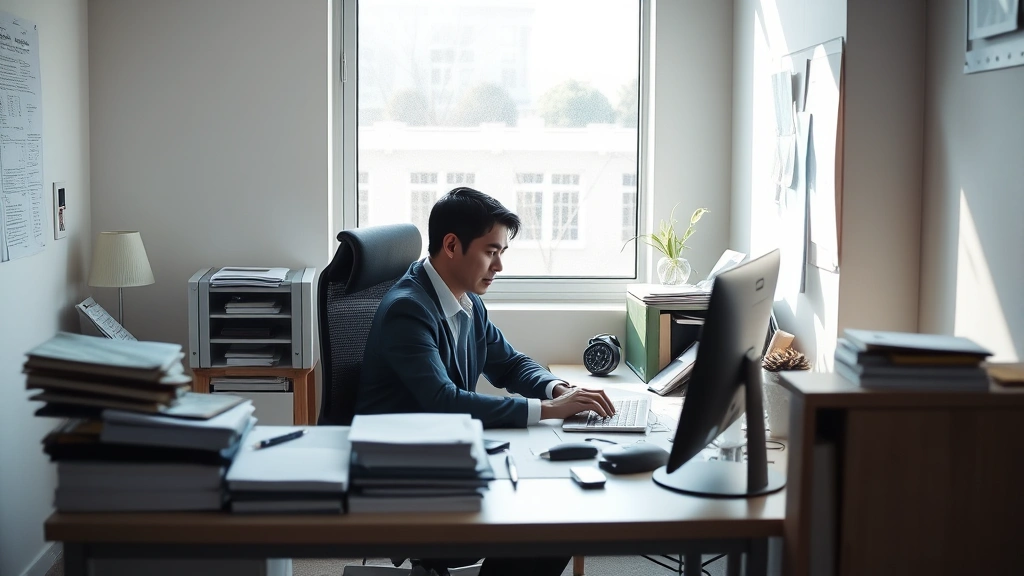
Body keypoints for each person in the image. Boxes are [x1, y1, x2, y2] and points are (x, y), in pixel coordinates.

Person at [356, 187, 616, 576]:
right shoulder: (408, 310)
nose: (499, 266)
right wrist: (546, 411)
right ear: (451, 245)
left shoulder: (467, 300)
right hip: (405, 471)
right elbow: (444, 400)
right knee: (548, 521)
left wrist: (558, 389)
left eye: (501, 254)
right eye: (491, 251)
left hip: (448, 452)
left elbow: (509, 364)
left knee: (558, 513)